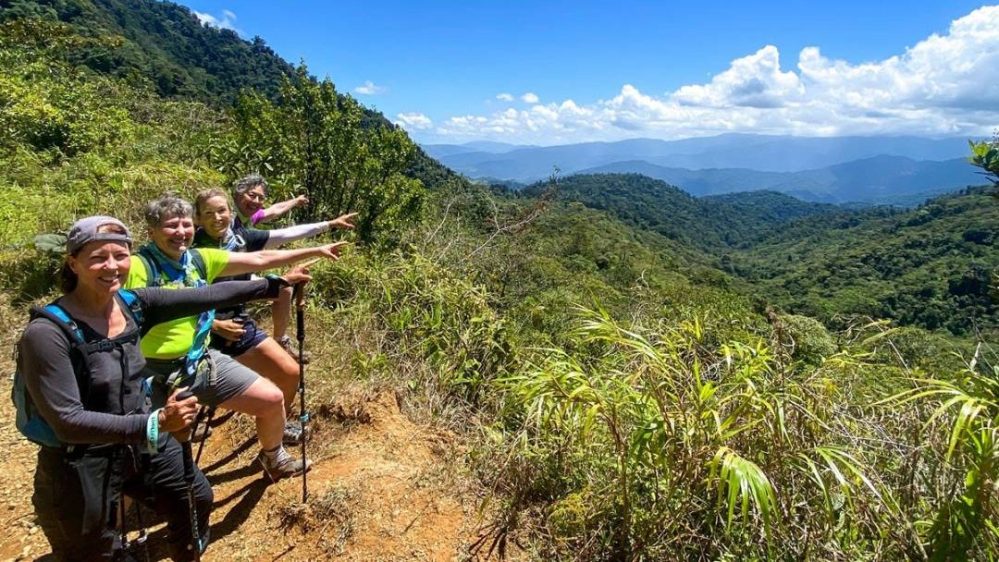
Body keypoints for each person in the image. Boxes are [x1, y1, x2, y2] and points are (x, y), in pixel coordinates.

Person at [17, 216, 307, 561]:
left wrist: (274, 286)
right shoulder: (47, 334)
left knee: (195, 497)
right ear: (73, 263)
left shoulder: (132, 304)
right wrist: (156, 424)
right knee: (93, 551)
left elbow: (204, 295)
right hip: (78, 461)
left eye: (120, 255)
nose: (112, 266)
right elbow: (67, 421)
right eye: (98, 258)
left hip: (139, 442)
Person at [125, 195, 344, 481]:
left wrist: (315, 250)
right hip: (150, 373)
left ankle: (273, 458)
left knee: (271, 398)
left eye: (185, 224)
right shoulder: (136, 267)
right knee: (145, 455)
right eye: (170, 226)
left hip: (200, 361)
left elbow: (260, 258)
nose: (181, 232)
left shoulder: (199, 260)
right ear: (151, 231)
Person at [192, 188, 354, 441]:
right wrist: (213, 324)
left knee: (290, 373)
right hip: (197, 333)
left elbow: (281, 239)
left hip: (238, 325)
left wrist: (323, 238)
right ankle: (194, 416)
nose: (216, 218)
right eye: (208, 213)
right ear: (198, 218)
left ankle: (276, 433)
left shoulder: (241, 238)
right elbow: (177, 299)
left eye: (221, 211)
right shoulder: (189, 250)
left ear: (230, 212)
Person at [230, 173, 355, 360]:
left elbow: (275, 210)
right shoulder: (230, 221)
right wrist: (329, 225)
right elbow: (285, 235)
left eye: (260, 197)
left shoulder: (248, 217)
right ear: (237, 195)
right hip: (222, 281)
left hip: (240, 276)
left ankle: (280, 341)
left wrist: (295, 201)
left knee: (284, 289)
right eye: (251, 195)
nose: (256, 201)